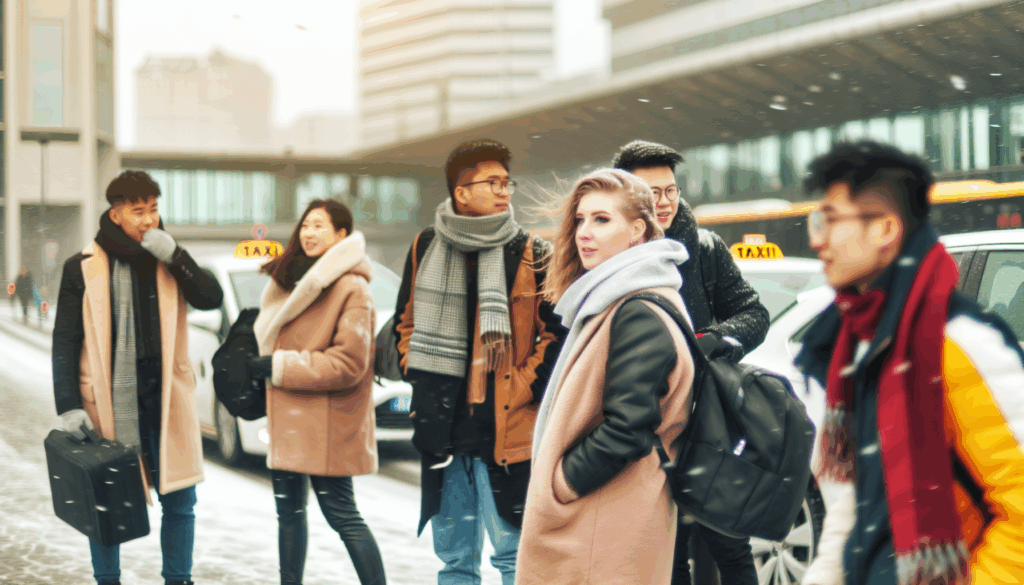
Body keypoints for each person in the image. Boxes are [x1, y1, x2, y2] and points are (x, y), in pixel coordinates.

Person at [796, 141, 1024, 585]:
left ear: (884, 229)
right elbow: (861, 502)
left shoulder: (959, 344)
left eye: (830, 220)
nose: (816, 239)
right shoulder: (864, 341)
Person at [392, 138, 565, 585]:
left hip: (505, 433)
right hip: (443, 427)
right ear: (461, 192)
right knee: (454, 563)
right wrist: (421, 371)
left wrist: (521, 384)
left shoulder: (532, 251)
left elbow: (556, 336)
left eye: (508, 182)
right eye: (493, 182)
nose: (505, 191)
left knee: (512, 558)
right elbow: (403, 323)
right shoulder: (426, 246)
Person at [515, 168, 695, 585]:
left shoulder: (636, 310)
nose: (584, 232)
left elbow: (628, 428)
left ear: (637, 230)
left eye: (601, 219)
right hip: (611, 514)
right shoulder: (625, 298)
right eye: (580, 220)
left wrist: (561, 484)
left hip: (605, 519)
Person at [51, 170, 224, 585]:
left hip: (165, 398)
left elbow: (210, 297)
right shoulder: (83, 267)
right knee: (105, 500)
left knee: (180, 500)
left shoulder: (168, 259)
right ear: (116, 214)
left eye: (154, 209)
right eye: (138, 211)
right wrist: (70, 405)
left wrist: (176, 255)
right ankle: (107, 579)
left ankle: (177, 579)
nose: (148, 219)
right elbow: (65, 340)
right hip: (109, 400)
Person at [612, 139, 767, 585]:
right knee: (667, 555)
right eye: (650, 192)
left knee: (729, 547)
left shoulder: (704, 248)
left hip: (704, 421)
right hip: (642, 426)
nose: (662, 202)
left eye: (670, 190)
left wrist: (712, 341)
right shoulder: (610, 256)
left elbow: (754, 313)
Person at [247, 199, 387, 585]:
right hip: (289, 419)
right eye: (305, 225)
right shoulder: (290, 280)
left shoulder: (351, 287)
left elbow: (348, 364)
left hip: (326, 424)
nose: (308, 233)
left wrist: (278, 367)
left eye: (319, 226)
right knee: (288, 516)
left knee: (343, 515)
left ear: (341, 234)